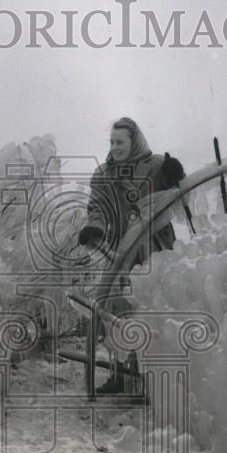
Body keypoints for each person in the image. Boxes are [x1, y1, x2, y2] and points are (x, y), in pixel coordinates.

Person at [77, 117, 185, 393]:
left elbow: (179, 193)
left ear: (134, 141)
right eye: (112, 142)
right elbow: (97, 207)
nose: (115, 147)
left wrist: (176, 176)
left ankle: (154, 377)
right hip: (121, 249)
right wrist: (95, 229)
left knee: (151, 308)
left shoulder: (157, 166)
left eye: (120, 142)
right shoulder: (104, 174)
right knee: (116, 310)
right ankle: (120, 375)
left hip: (156, 249)